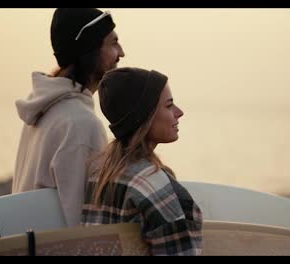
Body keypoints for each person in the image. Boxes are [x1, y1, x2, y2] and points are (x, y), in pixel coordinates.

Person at [12, 8, 125, 227]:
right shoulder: (81, 124)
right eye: (113, 43)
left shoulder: (43, 110)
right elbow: (83, 225)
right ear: (89, 49)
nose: (121, 52)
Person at [81, 67, 203, 255]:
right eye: (169, 105)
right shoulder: (151, 182)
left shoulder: (100, 173)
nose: (179, 112)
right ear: (145, 115)